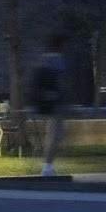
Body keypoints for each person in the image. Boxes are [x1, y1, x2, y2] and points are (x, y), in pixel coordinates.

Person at [32, 34, 68, 177]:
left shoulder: (45, 60)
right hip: (54, 103)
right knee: (55, 134)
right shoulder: (56, 61)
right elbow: (60, 82)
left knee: (54, 134)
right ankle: (47, 167)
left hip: (49, 102)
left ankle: (48, 165)